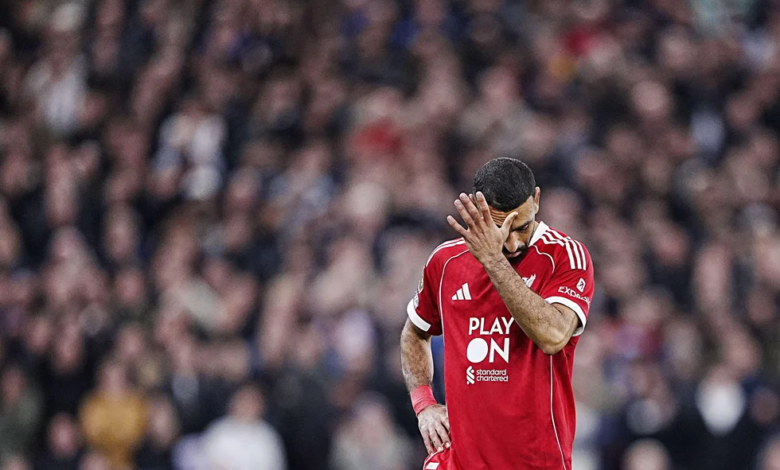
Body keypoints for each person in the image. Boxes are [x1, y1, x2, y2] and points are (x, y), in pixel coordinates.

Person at [400, 158, 595, 470]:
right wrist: (424, 404)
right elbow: (415, 331)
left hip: (535, 462)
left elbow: (553, 336)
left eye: (523, 227)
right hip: (459, 460)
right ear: (478, 212)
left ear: (537, 200)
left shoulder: (564, 256)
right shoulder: (445, 261)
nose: (514, 243)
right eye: (501, 230)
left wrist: (494, 260)